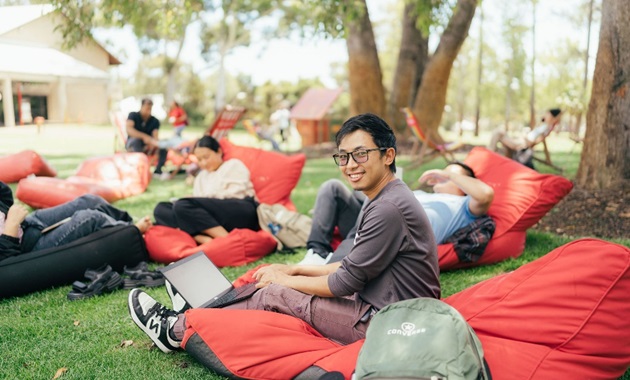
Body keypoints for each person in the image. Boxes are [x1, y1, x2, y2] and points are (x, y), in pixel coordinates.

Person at [128, 113, 441, 351]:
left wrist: (286, 279)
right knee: (277, 279)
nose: (349, 165)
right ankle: (204, 309)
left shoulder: (388, 207)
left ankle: (175, 329)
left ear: (388, 155)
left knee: (276, 292)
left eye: (361, 154)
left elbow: (346, 280)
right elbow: (353, 265)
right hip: (387, 307)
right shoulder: (388, 197)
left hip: (392, 324)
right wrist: (293, 267)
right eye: (343, 156)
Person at [299, 161, 495, 265]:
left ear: (465, 184)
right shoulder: (420, 194)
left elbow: (485, 194)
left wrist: (448, 173)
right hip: (375, 222)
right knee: (332, 187)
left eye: (451, 175)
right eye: (443, 172)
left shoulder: (464, 206)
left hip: (396, 239)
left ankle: (337, 263)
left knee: (382, 192)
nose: (441, 175)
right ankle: (316, 253)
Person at [0, 182, 151, 261]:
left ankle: (127, 221)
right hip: (22, 245)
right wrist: (11, 227)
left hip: (25, 224)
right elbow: (5, 259)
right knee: (89, 218)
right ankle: (132, 231)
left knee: (89, 200)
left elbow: (5, 197)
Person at [152, 135, 259, 245]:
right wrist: (196, 201)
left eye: (206, 157)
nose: (203, 163)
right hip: (212, 217)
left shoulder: (233, 165)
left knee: (183, 205)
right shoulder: (201, 176)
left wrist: (200, 200)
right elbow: (196, 210)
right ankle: (201, 237)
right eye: (199, 160)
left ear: (218, 151)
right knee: (161, 209)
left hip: (240, 209)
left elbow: (237, 193)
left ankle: (228, 241)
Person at [488, 108, 562, 154]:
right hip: (520, 139)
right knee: (498, 134)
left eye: (548, 114)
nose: (545, 115)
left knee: (498, 133)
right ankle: (490, 152)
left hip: (522, 143)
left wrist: (525, 139)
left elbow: (534, 142)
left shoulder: (547, 129)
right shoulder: (543, 126)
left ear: (552, 117)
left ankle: (489, 153)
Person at [126, 98, 168, 179]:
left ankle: (158, 171)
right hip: (133, 144)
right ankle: (139, 169)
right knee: (136, 141)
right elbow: (129, 130)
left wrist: (154, 143)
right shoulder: (133, 115)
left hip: (148, 144)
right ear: (141, 106)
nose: (148, 110)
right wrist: (144, 137)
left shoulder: (155, 121)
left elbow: (155, 136)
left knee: (163, 146)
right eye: (146, 107)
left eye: (150, 108)